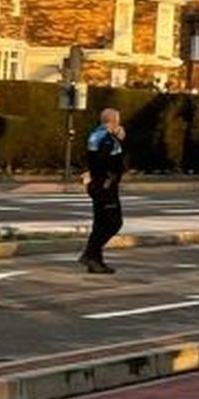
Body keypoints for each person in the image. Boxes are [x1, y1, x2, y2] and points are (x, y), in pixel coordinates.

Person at [80, 107, 126, 274]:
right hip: (106, 186)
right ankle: (90, 254)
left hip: (97, 184)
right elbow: (107, 161)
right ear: (113, 121)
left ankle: (96, 262)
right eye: (118, 121)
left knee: (99, 224)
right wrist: (119, 140)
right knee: (114, 222)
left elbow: (94, 158)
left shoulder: (95, 134)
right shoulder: (107, 138)